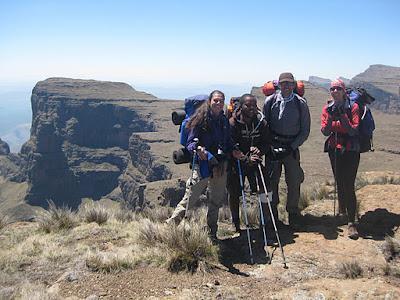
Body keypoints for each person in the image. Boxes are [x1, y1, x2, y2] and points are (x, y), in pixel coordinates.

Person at [166, 90, 232, 240]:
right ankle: (170, 226)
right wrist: (199, 149)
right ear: (209, 102)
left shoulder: (224, 121)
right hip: (202, 165)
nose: (218, 103)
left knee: (216, 200)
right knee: (190, 198)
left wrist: (231, 152)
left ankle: (212, 232)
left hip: (220, 166)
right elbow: (190, 143)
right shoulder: (200, 119)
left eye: (221, 101)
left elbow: (228, 142)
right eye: (215, 100)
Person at [263, 72, 311, 228]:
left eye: (289, 83)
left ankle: (293, 213)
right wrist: (270, 146)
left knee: (294, 181)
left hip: (291, 149)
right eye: (283, 83)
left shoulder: (301, 103)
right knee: (270, 183)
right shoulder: (270, 102)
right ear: (279, 85)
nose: (286, 86)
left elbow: (305, 131)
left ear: (294, 85)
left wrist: (291, 147)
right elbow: (264, 127)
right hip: (273, 149)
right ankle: (271, 215)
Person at [321, 79, 360, 239]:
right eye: (332, 89)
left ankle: (351, 222)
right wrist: (331, 116)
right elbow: (325, 131)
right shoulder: (327, 108)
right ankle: (342, 212)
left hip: (351, 149)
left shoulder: (353, 107)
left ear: (344, 91)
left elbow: (353, 131)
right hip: (334, 148)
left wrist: (342, 115)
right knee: (339, 181)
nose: (335, 91)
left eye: (338, 88)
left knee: (348, 184)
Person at [227, 94, 271, 232]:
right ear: (241, 106)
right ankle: (235, 222)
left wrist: (259, 150)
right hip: (237, 164)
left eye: (254, 105)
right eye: (248, 105)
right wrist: (246, 158)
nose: (251, 108)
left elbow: (266, 142)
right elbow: (231, 147)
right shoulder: (233, 123)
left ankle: (266, 218)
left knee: (265, 189)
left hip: (255, 162)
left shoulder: (261, 122)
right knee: (234, 193)